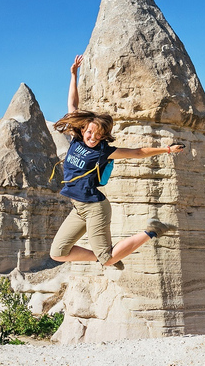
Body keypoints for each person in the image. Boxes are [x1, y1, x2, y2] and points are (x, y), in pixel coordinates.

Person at [49, 55, 185, 271]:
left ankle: (152, 231)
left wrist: (167, 149)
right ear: (84, 129)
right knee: (58, 253)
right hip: (78, 208)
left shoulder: (103, 152)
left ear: (103, 137)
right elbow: (72, 104)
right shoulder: (76, 138)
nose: (92, 137)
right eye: (90, 132)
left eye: (98, 135)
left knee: (108, 258)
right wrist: (74, 74)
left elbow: (138, 152)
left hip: (95, 207)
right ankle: (106, 257)